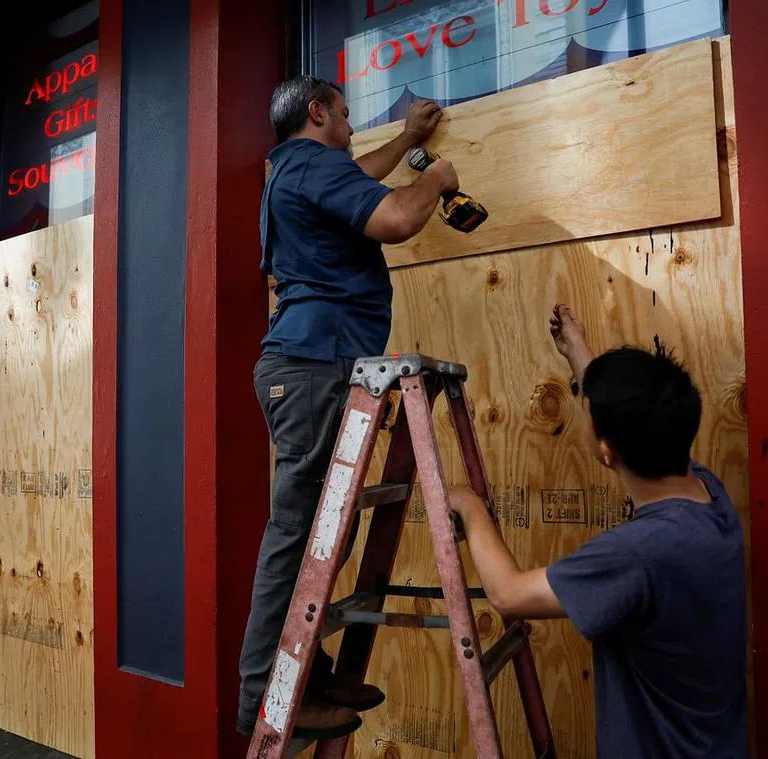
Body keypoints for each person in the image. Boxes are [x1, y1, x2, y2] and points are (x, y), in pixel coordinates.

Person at [237, 75, 460, 740]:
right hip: (315, 366)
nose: (353, 125)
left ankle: (307, 671)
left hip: (310, 364)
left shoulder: (294, 170)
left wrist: (407, 139)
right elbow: (395, 219)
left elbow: (360, 175)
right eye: (344, 112)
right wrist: (436, 177)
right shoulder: (313, 165)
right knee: (297, 537)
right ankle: (264, 697)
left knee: (322, 536)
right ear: (318, 112)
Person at [448, 304, 748, 758]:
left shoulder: (640, 553)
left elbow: (508, 595)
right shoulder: (708, 495)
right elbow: (637, 417)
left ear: (607, 452)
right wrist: (577, 350)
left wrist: (470, 506)